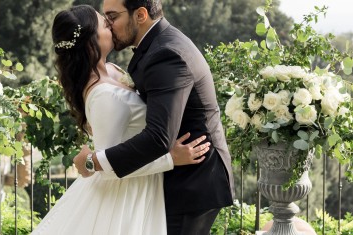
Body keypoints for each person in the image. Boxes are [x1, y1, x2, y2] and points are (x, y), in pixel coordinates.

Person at [32, 5, 210, 234]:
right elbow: (107, 168)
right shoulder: (102, 95)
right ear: (90, 42)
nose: (112, 26)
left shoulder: (112, 70)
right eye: (105, 24)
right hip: (126, 195)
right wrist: (170, 158)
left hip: (143, 184)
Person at [72, 0, 235, 234]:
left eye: (112, 17)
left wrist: (94, 162)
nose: (107, 25)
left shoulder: (165, 54)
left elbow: (158, 137)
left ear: (140, 15)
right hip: (180, 177)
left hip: (192, 180)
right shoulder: (156, 45)